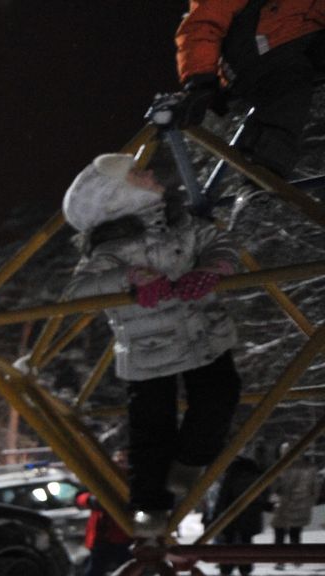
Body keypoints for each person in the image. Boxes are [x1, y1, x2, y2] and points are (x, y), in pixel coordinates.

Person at [62, 153, 242, 535]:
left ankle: (189, 462)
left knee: (221, 395)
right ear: (116, 196)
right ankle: (148, 505)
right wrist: (127, 278)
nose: (149, 173)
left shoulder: (182, 224)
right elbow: (77, 291)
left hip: (204, 335)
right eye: (136, 174)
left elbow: (219, 241)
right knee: (149, 428)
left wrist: (214, 267)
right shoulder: (109, 249)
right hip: (148, 350)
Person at [176, 0, 325, 179]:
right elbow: (207, 16)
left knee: (294, 74)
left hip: (303, 37)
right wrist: (200, 79)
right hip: (257, 45)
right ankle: (260, 175)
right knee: (289, 81)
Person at [213, 445, 274, 574]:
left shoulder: (232, 474)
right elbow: (265, 492)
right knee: (247, 540)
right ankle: (245, 566)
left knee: (228, 541)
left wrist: (217, 513)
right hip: (252, 512)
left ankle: (226, 567)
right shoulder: (256, 473)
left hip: (231, 511)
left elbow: (224, 494)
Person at [270, 438, 321, 557]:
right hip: (302, 505)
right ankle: (296, 557)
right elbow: (315, 488)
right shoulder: (310, 467)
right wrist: (310, 502)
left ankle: (279, 558)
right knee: (296, 532)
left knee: (279, 531)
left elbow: (274, 487)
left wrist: (273, 499)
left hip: (284, 504)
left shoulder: (280, 468)